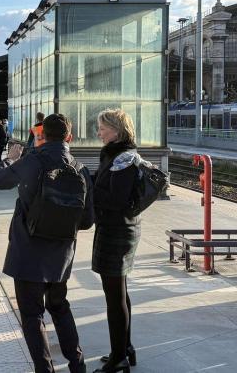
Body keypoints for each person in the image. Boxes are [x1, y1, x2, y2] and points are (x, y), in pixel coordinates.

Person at [0, 114, 94, 373]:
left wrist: (9, 159)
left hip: (28, 252)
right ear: (69, 137)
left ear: (42, 134)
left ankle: (44, 370)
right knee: (59, 307)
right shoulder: (80, 168)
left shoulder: (32, 160)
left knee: (33, 314)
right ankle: (77, 365)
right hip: (61, 256)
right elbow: (88, 220)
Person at [92, 109, 140, 373]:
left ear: (116, 130)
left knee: (114, 296)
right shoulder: (115, 154)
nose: (98, 132)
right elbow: (104, 184)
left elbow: (116, 199)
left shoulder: (124, 159)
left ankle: (118, 359)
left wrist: (90, 191)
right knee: (119, 291)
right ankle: (125, 349)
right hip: (115, 228)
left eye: (102, 128)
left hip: (118, 230)